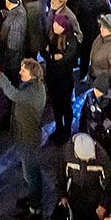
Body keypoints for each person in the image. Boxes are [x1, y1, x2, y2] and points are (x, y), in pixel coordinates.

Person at [0, 57, 47, 218]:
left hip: (29, 138)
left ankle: (35, 209)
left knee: (32, 174)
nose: (19, 72)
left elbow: (13, 94)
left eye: (23, 70)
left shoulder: (33, 91)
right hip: (25, 135)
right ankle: (32, 198)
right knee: (28, 172)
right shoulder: (33, 86)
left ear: (32, 74)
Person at [58, 133, 111, 220]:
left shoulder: (102, 157)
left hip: (95, 194)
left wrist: (103, 205)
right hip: (75, 194)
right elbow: (61, 175)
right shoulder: (66, 153)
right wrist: (62, 195)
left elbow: (110, 184)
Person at [45, 14, 80, 143]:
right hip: (52, 77)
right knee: (56, 105)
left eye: (58, 25)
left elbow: (66, 60)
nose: (54, 26)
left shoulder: (71, 41)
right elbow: (45, 52)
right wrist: (53, 57)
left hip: (64, 80)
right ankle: (59, 127)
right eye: (54, 23)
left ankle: (67, 130)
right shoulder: (52, 36)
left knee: (65, 106)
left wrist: (51, 57)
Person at [89, 14, 111, 96]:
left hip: (107, 87)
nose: (101, 28)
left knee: (107, 107)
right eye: (101, 25)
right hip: (97, 79)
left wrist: (101, 78)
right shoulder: (102, 37)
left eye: (104, 27)